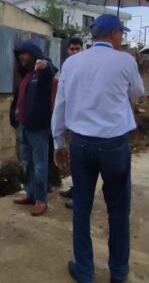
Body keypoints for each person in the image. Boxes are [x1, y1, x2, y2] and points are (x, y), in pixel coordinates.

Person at [53, 14, 144, 283]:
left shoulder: (72, 62)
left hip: (80, 143)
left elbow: (61, 105)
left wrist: (59, 143)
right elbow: (137, 93)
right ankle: (118, 272)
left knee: (82, 206)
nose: (122, 38)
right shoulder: (126, 60)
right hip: (114, 144)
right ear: (114, 34)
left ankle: (84, 270)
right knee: (118, 209)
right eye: (121, 33)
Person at [10, 41, 57, 216]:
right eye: (20, 54)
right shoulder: (26, 76)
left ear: (34, 55)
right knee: (27, 162)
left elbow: (50, 69)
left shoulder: (41, 74)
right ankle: (30, 193)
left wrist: (45, 64)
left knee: (40, 165)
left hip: (38, 128)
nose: (22, 56)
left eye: (25, 53)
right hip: (24, 126)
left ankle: (40, 199)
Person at [58, 36, 85, 209]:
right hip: (69, 120)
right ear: (67, 51)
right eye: (72, 49)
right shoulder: (66, 69)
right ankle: (76, 188)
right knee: (73, 159)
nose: (74, 52)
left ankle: (81, 197)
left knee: (82, 163)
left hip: (82, 122)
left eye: (78, 49)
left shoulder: (85, 68)